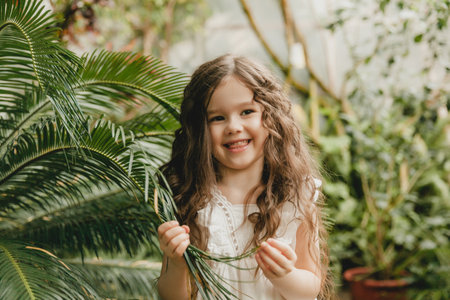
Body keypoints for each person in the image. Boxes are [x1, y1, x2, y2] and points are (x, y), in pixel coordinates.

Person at [157, 54, 330, 300]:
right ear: (199, 130)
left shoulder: (295, 196)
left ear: (270, 118)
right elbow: (172, 296)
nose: (233, 127)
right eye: (217, 118)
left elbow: (311, 285)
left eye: (247, 112)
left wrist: (285, 275)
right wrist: (176, 263)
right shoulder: (191, 199)